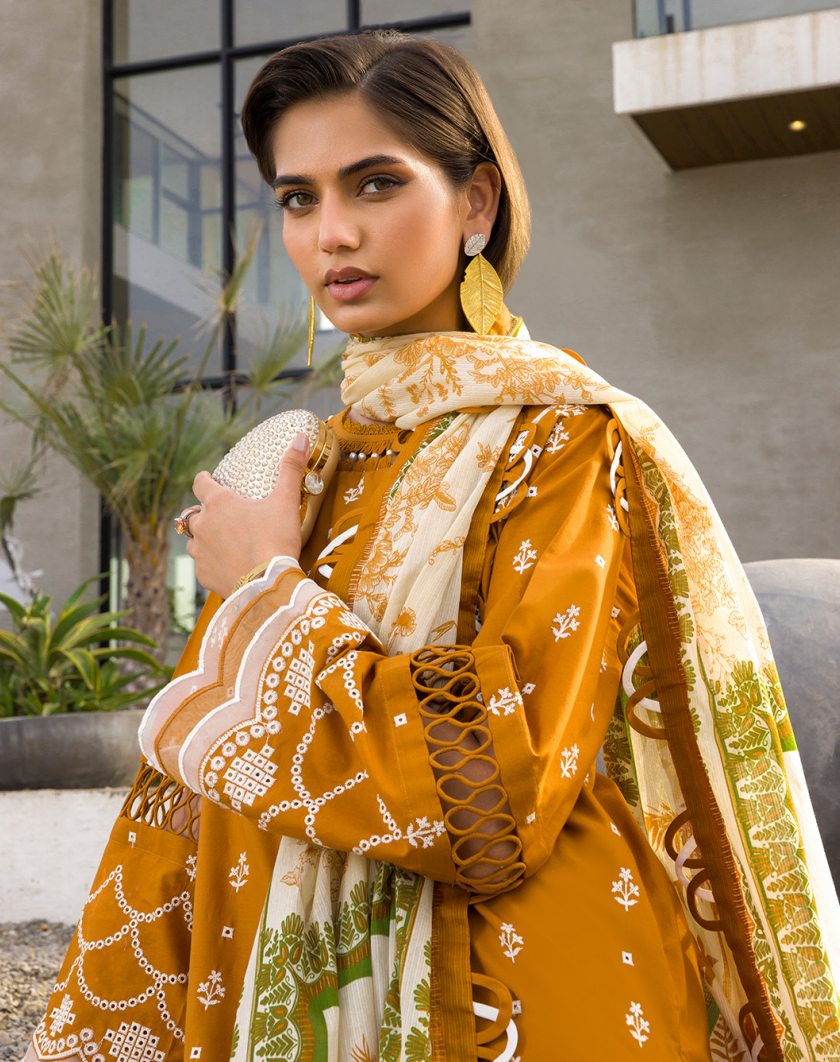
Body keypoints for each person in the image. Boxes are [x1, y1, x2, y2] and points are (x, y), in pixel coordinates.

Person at [26, 31, 840, 1062]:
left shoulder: (567, 442)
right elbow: (188, 802)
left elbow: (496, 793)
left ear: (476, 204)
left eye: (375, 184)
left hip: (519, 1000)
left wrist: (267, 596)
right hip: (279, 994)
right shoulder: (294, 469)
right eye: (298, 198)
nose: (332, 233)